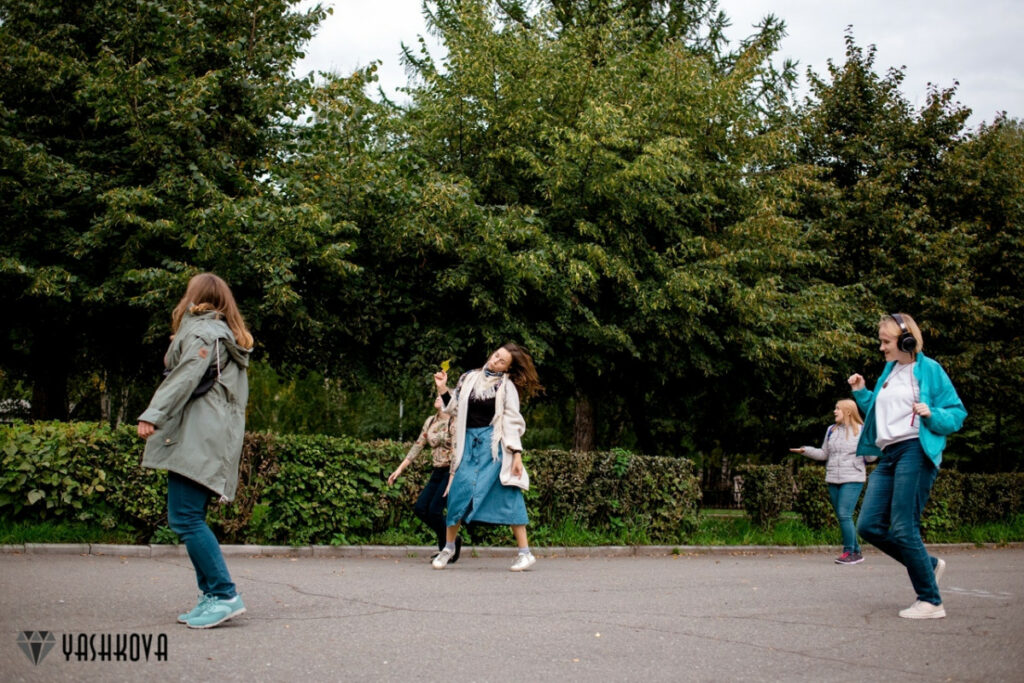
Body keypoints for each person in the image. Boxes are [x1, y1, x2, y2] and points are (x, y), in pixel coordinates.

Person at [137, 273, 253, 629]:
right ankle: (211, 595)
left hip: (199, 438)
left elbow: (184, 377)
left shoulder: (204, 334)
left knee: (185, 518)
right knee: (187, 517)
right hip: (205, 437)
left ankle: (224, 593)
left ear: (195, 297)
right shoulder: (217, 333)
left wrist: (152, 414)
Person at [848, 313, 966, 619]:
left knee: (903, 527)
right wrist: (862, 393)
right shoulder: (889, 373)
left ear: (906, 341)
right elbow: (882, 411)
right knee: (869, 525)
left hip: (915, 449)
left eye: (886, 342)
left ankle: (930, 601)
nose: (881, 348)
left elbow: (956, 413)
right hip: (889, 455)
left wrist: (931, 414)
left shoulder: (929, 371)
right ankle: (928, 565)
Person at [430, 343, 543, 571]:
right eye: (496, 355)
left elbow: (512, 419)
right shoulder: (468, 378)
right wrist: (443, 389)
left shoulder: (506, 386)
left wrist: (517, 454)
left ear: (507, 368)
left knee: (509, 494)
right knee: (458, 492)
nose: (496, 361)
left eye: (502, 361)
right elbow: (454, 409)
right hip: (468, 446)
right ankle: (448, 548)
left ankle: (525, 553)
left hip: (494, 447)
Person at [790, 399, 876, 565]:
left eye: (838, 408)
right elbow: (824, 454)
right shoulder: (831, 430)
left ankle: (849, 551)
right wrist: (805, 450)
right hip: (833, 478)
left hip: (852, 478)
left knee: (844, 514)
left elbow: (871, 458)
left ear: (848, 411)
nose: (835, 411)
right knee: (843, 516)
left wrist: (871, 444)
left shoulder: (862, 431)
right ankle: (856, 551)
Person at [387, 395, 462, 562]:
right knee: (420, 508)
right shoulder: (430, 421)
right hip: (437, 471)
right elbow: (418, 445)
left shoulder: (454, 422)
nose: (437, 397)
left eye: (441, 396)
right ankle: (453, 541)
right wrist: (399, 470)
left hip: (451, 472)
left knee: (435, 510)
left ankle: (446, 549)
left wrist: (451, 479)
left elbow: (457, 453)